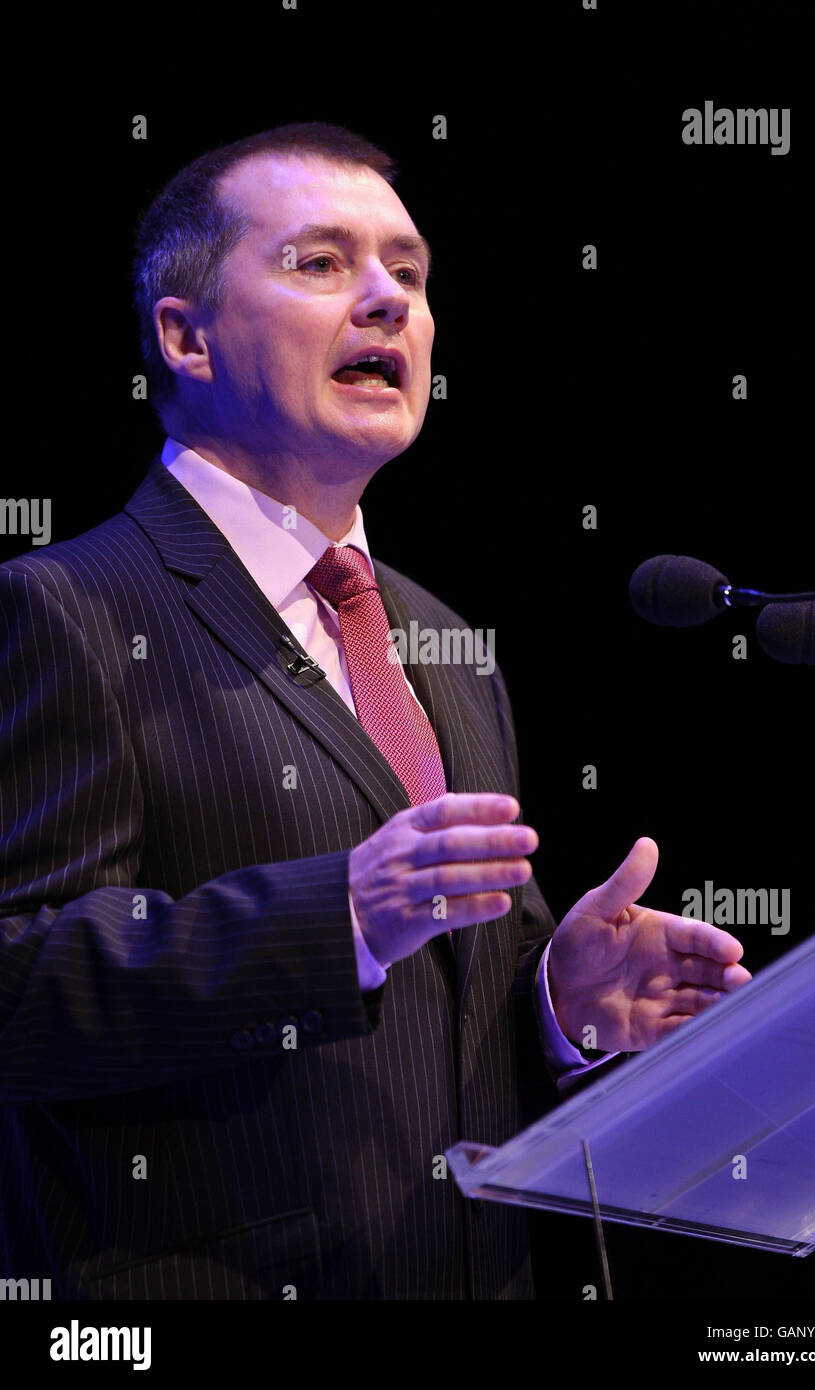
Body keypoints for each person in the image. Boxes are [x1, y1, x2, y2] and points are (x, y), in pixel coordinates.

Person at [0, 123, 750, 1300]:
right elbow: (16, 985)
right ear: (183, 336)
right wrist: (333, 917)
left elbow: (448, 1006)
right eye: (321, 263)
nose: (388, 302)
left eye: (410, 272)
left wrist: (562, 1003)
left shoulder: (441, 639)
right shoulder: (66, 611)